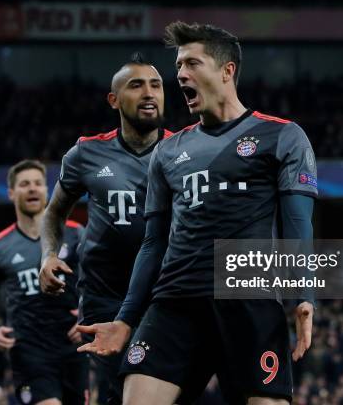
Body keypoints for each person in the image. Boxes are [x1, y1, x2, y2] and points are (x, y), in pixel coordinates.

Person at [77, 22, 317, 405]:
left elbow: (298, 224)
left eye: (192, 64)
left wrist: (304, 294)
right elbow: (153, 243)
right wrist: (125, 318)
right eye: (178, 67)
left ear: (227, 71)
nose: (181, 75)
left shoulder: (283, 136)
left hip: (247, 299)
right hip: (175, 300)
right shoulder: (168, 152)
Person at [39, 53, 171, 405]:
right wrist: (49, 254)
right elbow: (53, 213)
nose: (149, 93)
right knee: (122, 393)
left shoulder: (184, 148)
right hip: (104, 299)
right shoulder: (86, 152)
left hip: (165, 297)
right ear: (114, 100)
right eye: (136, 85)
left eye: (156, 85)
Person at [0, 160, 88, 405]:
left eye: (38, 183)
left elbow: (101, 281)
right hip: (29, 350)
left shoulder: (75, 232)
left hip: (74, 347)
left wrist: (89, 315)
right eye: (24, 184)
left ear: (47, 191)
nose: (33, 189)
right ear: (11, 193)